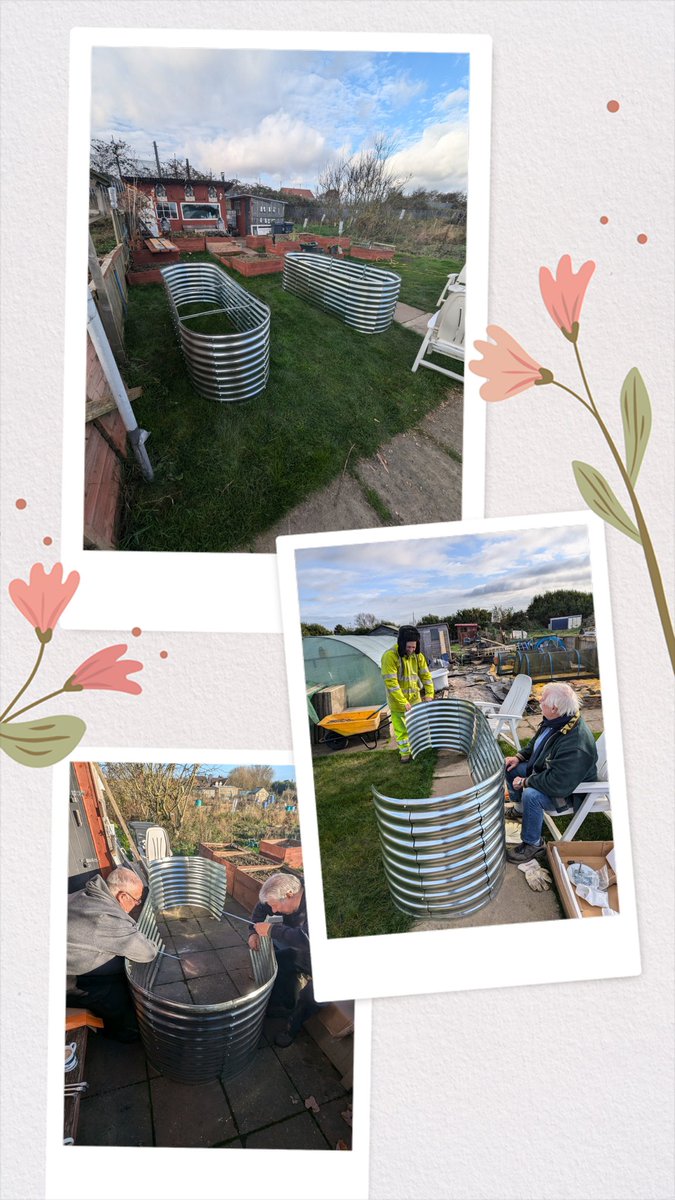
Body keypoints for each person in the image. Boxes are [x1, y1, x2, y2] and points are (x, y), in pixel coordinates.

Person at [504, 681, 599, 864]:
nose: (539, 703)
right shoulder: (557, 721)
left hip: (570, 791)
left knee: (532, 795)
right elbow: (537, 742)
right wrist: (519, 756)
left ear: (555, 708)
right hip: (550, 773)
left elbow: (557, 783)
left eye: (543, 701)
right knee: (511, 766)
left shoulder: (575, 743)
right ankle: (520, 810)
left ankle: (533, 844)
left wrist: (525, 782)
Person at [66, 866, 158, 1041]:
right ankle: (118, 1032)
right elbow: (148, 953)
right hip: (67, 981)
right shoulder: (105, 919)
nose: (137, 904)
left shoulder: (89, 893)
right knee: (116, 1000)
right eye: (137, 900)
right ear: (122, 896)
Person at [248, 873, 317, 1047]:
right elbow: (263, 908)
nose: (275, 911)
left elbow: (308, 938)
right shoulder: (280, 897)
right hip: (308, 950)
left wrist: (272, 930)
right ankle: (284, 1006)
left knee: (310, 996)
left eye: (276, 906)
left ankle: (292, 1027)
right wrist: (253, 931)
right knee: (280, 963)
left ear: (289, 895)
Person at [381, 625, 434, 762]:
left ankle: (419, 748)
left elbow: (426, 676)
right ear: (401, 643)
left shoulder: (418, 656)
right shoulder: (390, 657)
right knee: (402, 730)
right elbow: (392, 684)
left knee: (417, 726)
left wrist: (429, 693)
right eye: (408, 647)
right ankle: (405, 753)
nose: (411, 650)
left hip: (415, 700)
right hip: (398, 703)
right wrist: (403, 702)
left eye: (413, 647)